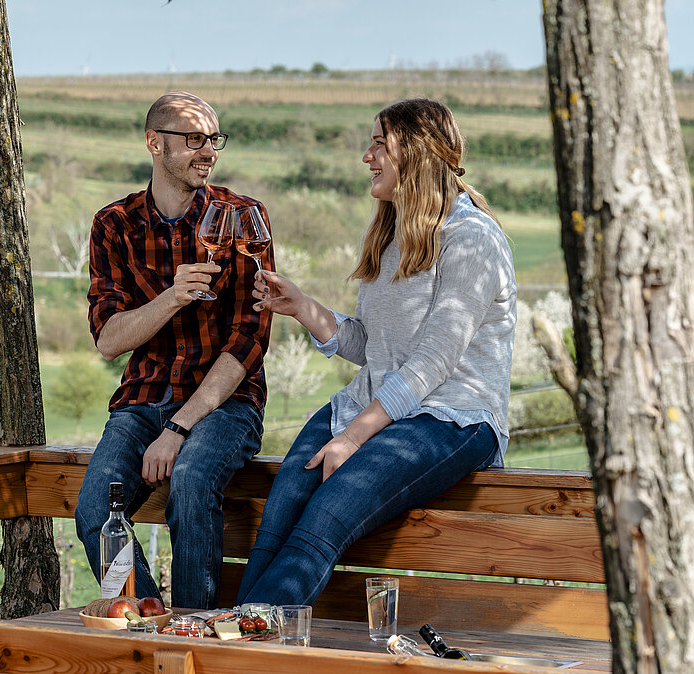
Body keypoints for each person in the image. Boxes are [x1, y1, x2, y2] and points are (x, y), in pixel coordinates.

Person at [236, 98, 516, 606]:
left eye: (379, 144)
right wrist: (302, 307)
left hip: (452, 417)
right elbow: (374, 345)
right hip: (379, 404)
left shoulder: (473, 239)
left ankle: (241, 647)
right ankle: (235, 640)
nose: (367, 156)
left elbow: (433, 359)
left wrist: (352, 438)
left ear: (417, 154)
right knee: (275, 525)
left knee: (322, 522)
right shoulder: (393, 236)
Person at [75, 91, 273, 610]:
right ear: (154, 143)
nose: (208, 151)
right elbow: (108, 340)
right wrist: (171, 298)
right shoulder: (114, 225)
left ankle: (196, 634)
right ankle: (148, 617)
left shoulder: (243, 218)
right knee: (95, 509)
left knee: (190, 480)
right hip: (141, 401)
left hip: (222, 404)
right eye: (193, 140)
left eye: (214, 140)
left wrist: (179, 426)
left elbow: (251, 338)